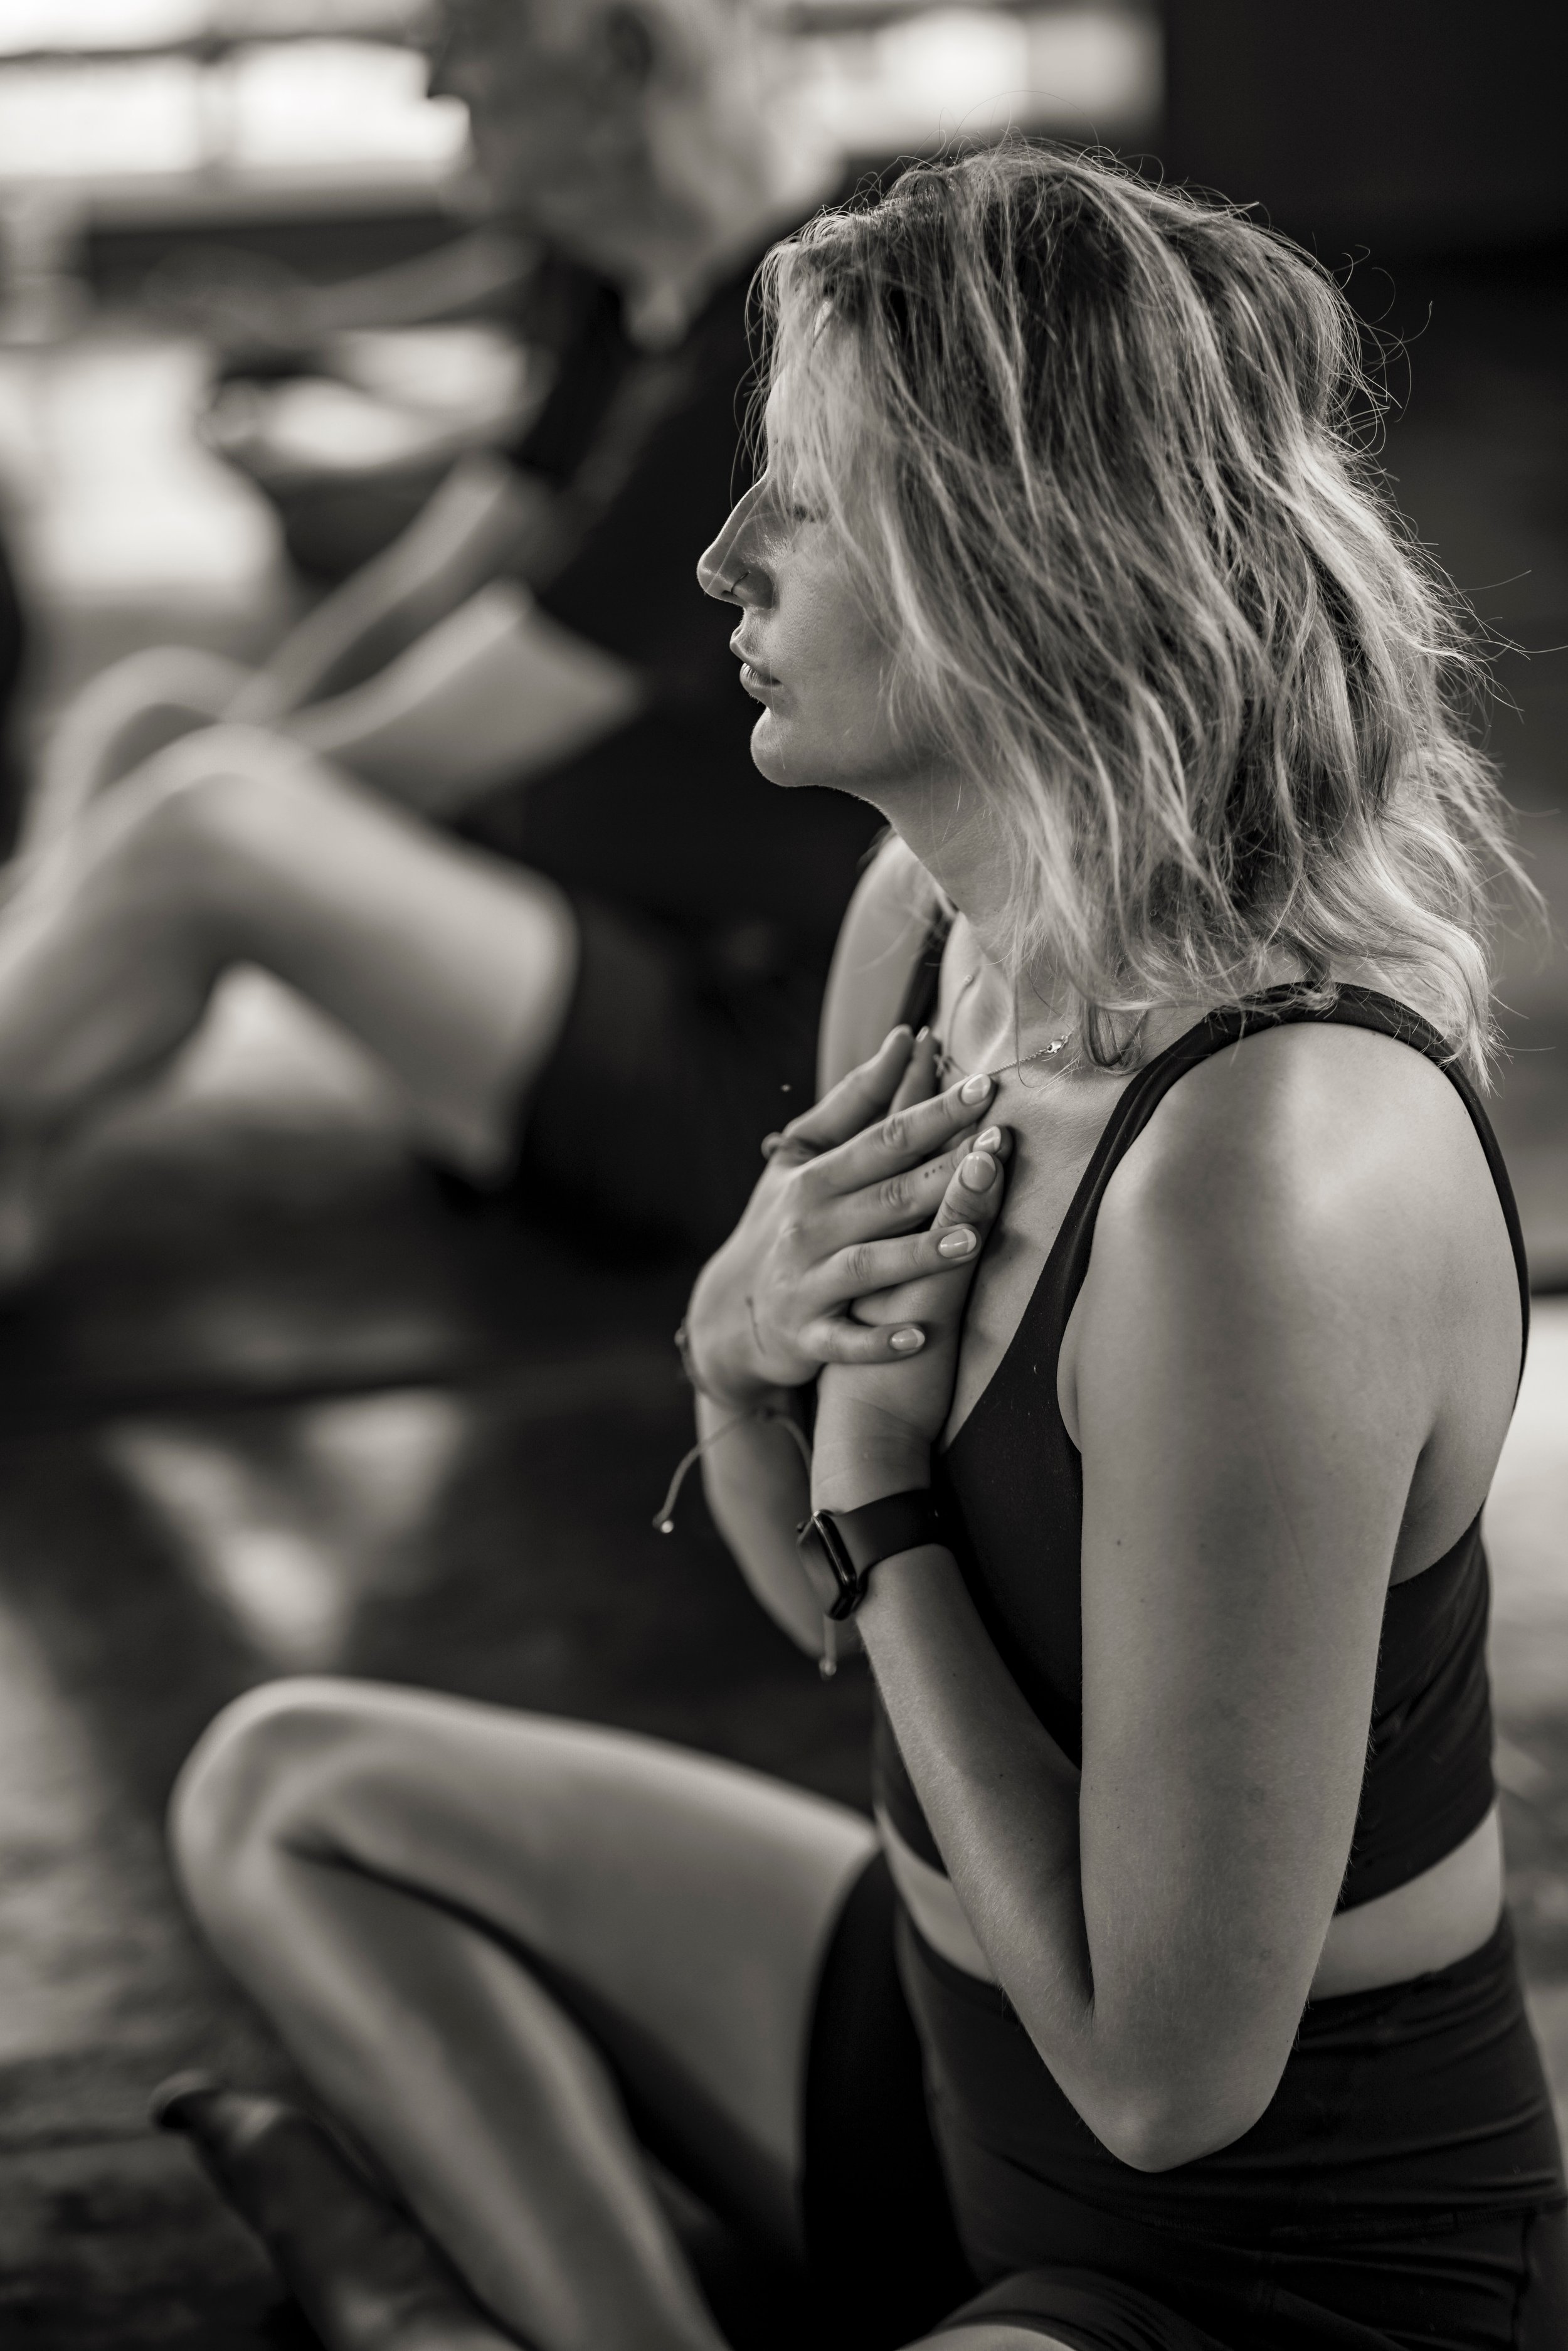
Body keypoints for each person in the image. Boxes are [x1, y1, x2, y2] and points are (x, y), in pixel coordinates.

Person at [162, 145, 1567, 2350]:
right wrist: (739, 1367)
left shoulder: (1262, 1174)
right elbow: (832, 1628)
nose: (722, 557)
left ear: (1005, 564)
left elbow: (1165, 2078)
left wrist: (880, 1488)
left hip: (1265, 2259)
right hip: (940, 2043)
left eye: (799, 498)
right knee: (290, 1790)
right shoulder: (923, 932)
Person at [0, 0, 872, 1272]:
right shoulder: (631, 288)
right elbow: (428, 584)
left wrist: (175, 835)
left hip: (744, 1068)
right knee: (163, 717)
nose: (430, 79)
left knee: (208, 820)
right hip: (579, 912)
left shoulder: (774, 362)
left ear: (613, 63)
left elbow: (429, 750)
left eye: (473, 33)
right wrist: (166, 812)